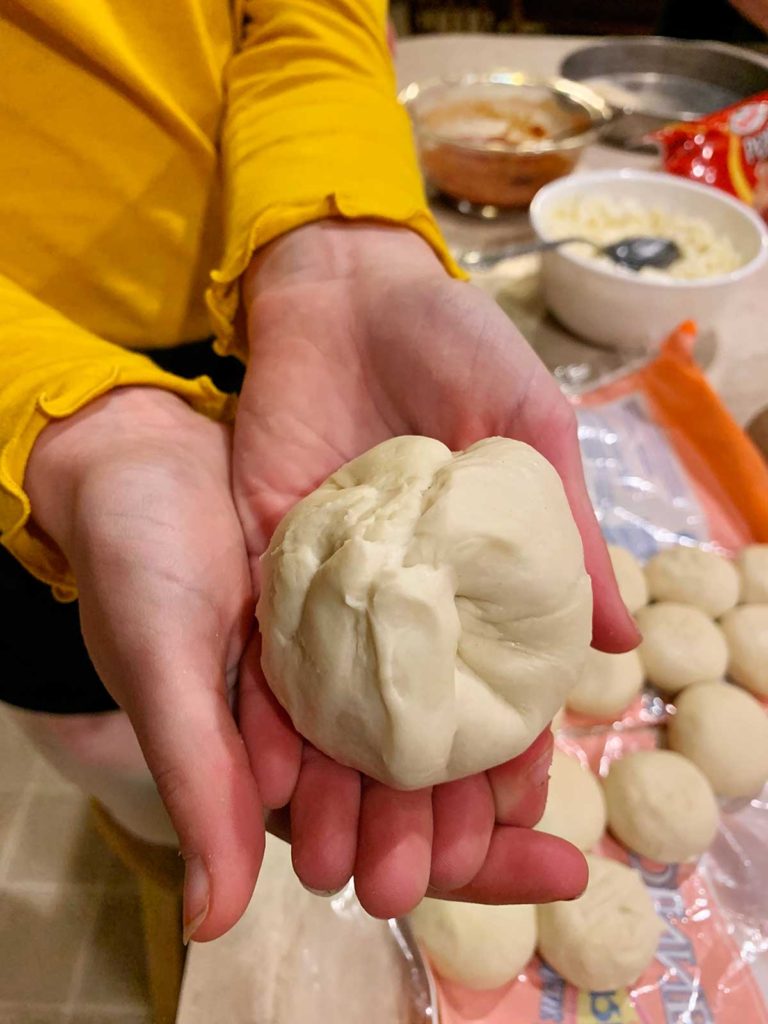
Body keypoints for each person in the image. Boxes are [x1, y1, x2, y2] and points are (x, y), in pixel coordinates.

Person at [0, 1, 639, 944]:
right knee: (100, 721)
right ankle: (146, 840)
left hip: (274, 287)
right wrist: (52, 411)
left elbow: (310, 13)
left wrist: (343, 236)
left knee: (179, 702)